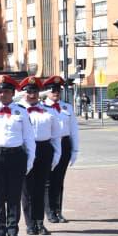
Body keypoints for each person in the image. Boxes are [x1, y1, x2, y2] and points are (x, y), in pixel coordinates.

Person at [0, 75, 35, 236]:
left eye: (6, 91)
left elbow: (28, 138)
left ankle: (13, 229)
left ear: (12, 93)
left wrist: (30, 160)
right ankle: (0, 228)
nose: (2, 95)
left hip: (16, 156)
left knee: (14, 195)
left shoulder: (21, 111)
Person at [19, 77, 60, 236]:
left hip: (44, 150)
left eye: (35, 91)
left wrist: (57, 155)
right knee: (27, 190)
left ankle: (39, 222)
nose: (32, 95)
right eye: (29, 91)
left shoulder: (49, 111)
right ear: (24, 93)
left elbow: (56, 136)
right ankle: (30, 224)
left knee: (40, 188)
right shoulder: (19, 110)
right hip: (25, 150)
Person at [43, 76, 78, 224]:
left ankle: (58, 210)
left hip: (64, 144)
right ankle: (49, 211)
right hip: (48, 145)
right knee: (48, 181)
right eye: (52, 90)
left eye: (58, 90)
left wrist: (75, 150)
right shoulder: (41, 107)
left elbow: (74, 130)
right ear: (46, 92)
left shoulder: (67, 107)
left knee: (59, 180)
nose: (56, 93)